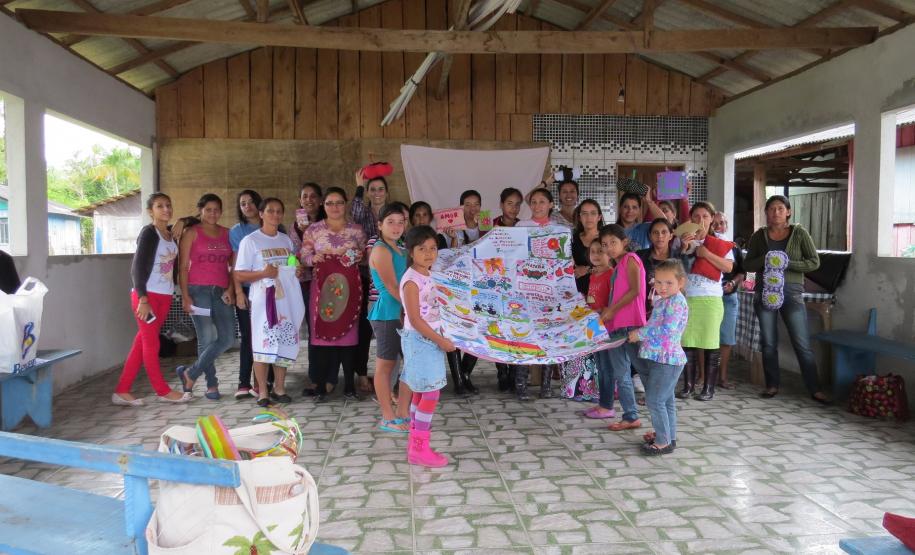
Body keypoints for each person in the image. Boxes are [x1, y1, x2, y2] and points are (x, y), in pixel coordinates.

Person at [744, 195, 827, 403]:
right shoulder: (759, 236)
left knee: (801, 342)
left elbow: (814, 262)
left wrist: (786, 263)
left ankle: (815, 388)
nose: (776, 213)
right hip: (765, 293)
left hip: (791, 292)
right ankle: (772, 385)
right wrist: (765, 260)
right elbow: (747, 266)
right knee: (768, 342)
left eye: (780, 208)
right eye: (771, 209)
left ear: (788, 212)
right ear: (766, 213)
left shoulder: (799, 234)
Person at [112, 193, 190, 406]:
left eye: (168, 205)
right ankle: (162, 390)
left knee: (142, 342)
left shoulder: (171, 233)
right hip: (146, 297)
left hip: (164, 297)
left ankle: (122, 390)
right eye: (159, 206)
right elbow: (137, 268)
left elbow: (196, 219)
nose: (166, 209)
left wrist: (184, 221)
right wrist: (143, 299)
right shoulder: (149, 233)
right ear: (150, 211)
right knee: (151, 343)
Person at [233, 198, 305, 408]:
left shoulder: (286, 240)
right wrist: (263, 273)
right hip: (264, 302)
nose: (275, 214)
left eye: (279, 211)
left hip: (286, 301)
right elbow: (239, 274)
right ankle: (263, 390)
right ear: (261, 214)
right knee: (262, 343)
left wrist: (296, 270)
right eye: (270, 211)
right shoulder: (251, 241)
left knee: (284, 340)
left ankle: (279, 387)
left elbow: (291, 264)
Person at [300, 187, 367, 402]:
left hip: (349, 289)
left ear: (345, 204)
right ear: (323, 205)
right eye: (330, 203)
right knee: (321, 337)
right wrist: (313, 259)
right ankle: (320, 386)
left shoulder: (356, 231)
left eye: (339, 202)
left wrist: (358, 255)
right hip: (322, 289)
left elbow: (367, 256)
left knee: (348, 337)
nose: (334, 207)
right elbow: (304, 255)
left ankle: (349, 386)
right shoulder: (313, 230)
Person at [400, 225, 456, 468]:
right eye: (422, 249)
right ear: (411, 252)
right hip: (421, 340)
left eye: (433, 248)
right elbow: (414, 319)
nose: (429, 253)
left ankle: (415, 443)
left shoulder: (427, 274)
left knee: (422, 391)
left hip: (429, 338)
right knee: (430, 393)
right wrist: (441, 340)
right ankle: (420, 448)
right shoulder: (412, 281)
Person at [585, 224, 645, 431]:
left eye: (613, 243)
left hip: (630, 326)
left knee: (645, 372)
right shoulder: (617, 267)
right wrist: (607, 312)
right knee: (621, 374)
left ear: (624, 242)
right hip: (615, 327)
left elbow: (636, 291)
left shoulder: (630, 260)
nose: (608, 248)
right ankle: (630, 416)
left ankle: (661, 418)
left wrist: (611, 310)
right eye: (604, 244)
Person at [175, 194, 235, 401]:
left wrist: (231, 289)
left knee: (228, 338)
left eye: (216, 209)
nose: (213, 213)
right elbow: (182, 268)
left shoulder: (228, 233)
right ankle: (211, 384)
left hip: (221, 291)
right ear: (201, 210)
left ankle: (190, 373)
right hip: (197, 290)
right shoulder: (192, 233)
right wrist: (185, 296)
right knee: (206, 338)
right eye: (208, 209)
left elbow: (234, 266)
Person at [627, 259, 689, 455]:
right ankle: (667, 437)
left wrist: (640, 334)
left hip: (667, 360)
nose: (662, 287)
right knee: (666, 400)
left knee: (655, 400)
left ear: (681, 282)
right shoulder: (663, 301)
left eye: (668, 283)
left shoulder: (677, 302)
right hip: (659, 358)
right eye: (658, 282)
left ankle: (663, 441)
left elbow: (667, 330)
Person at [676, 202, 734, 402]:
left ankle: (709, 388)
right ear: (690, 219)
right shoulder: (683, 240)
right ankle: (688, 386)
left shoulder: (720, 241)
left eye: (705, 216)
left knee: (710, 344)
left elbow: (727, 268)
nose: (700, 220)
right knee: (687, 343)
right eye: (696, 216)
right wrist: (684, 248)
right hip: (688, 298)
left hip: (711, 299)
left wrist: (706, 253)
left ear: (712, 220)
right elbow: (676, 270)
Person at [369, 204, 411, 433]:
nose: (396, 227)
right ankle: (387, 416)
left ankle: (403, 412)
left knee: (411, 364)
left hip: (404, 314)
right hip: (388, 314)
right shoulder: (381, 250)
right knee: (385, 366)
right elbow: (393, 287)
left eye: (400, 222)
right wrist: (411, 310)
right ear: (380, 225)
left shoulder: (402, 249)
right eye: (390, 222)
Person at [516, 188, 561, 399]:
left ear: (551, 204)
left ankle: (546, 386)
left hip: (550, 292)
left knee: (548, 337)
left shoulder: (560, 229)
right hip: (525, 290)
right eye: (533, 202)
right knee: (524, 336)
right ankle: (521, 385)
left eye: (542, 201)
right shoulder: (520, 226)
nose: (537, 206)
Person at [445, 190, 485, 395]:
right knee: (456, 333)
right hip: (457, 288)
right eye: (467, 204)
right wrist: (453, 239)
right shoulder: (454, 229)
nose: (472, 208)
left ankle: (466, 374)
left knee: (479, 331)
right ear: (460, 207)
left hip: (482, 288)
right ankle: (458, 380)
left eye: (476, 204)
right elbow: (451, 258)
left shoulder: (487, 226)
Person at [352, 170, 389, 395]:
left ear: (387, 192)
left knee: (389, 327)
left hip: (389, 276)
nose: (377, 193)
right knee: (364, 328)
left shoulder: (393, 212)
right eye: (372, 189)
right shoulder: (363, 213)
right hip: (365, 275)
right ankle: (362, 374)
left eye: (380, 189)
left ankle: (390, 375)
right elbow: (354, 209)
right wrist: (359, 185)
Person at [230, 189, 269, 399]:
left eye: (252, 202)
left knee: (266, 336)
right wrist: (237, 292)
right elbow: (236, 266)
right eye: (243, 203)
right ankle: (243, 382)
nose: (248, 206)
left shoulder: (274, 228)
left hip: (270, 292)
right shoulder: (237, 231)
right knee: (248, 336)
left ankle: (262, 382)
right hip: (246, 290)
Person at [288, 182, 324, 396]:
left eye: (313, 196)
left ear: (320, 200)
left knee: (325, 327)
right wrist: (296, 265)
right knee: (312, 331)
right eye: (304, 196)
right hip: (305, 284)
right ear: (300, 201)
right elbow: (292, 253)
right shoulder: (295, 226)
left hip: (326, 282)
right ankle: (315, 377)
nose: (308, 200)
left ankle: (327, 376)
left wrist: (310, 233)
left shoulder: (326, 223)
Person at [561, 238, 604, 401]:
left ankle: (596, 392)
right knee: (583, 356)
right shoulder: (591, 275)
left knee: (596, 359)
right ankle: (580, 390)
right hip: (587, 318)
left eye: (600, 251)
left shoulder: (610, 273)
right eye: (592, 252)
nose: (596, 255)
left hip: (601, 320)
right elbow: (589, 296)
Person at [492, 188, 523, 392]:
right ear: (502, 204)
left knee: (516, 330)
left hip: (518, 285)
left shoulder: (523, 226)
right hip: (495, 284)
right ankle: (501, 371)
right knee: (498, 330)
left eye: (517, 204)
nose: (513, 208)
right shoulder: (491, 225)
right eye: (509, 203)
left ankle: (514, 371)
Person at [713, 211, 744, 390]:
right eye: (715, 224)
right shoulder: (705, 246)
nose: (718, 227)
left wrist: (733, 282)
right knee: (706, 337)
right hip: (709, 297)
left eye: (722, 223)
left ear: (727, 226)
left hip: (729, 297)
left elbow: (742, 271)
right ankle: (703, 376)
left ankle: (722, 377)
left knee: (726, 338)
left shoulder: (733, 247)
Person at [636, 218, 679, 316]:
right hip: (644, 311)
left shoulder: (678, 257)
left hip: (671, 312)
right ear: (650, 236)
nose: (660, 236)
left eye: (664, 232)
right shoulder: (639, 256)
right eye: (655, 232)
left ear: (671, 236)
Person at [572, 199, 604, 294]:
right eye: (584, 213)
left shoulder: (606, 238)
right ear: (579, 217)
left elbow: (613, 265)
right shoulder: (572, 239)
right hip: (577, 292)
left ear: (599, 217)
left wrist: (587, 270)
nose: (589, 217)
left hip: (601, 290)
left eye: (593, 213)